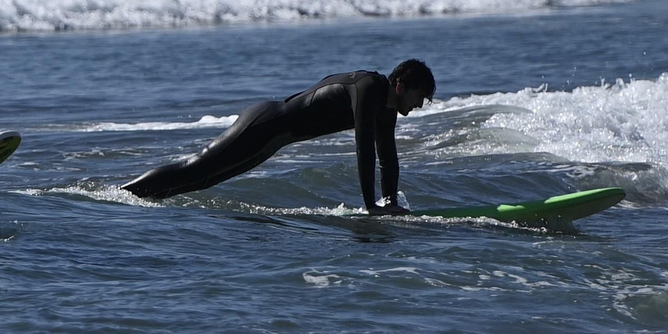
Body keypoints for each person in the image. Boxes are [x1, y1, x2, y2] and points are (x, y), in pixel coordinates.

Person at [122, 60, 437, 213]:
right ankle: (123, 195)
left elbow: (387, 156)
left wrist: (390, 202)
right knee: (197, 166)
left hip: (275, 140)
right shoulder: (368, 88)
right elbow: (364, 149)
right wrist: (371, 206)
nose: (419, 105)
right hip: (265, 122)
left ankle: (140, 203)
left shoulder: (386, 108)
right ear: (400, 86)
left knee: (204, 180)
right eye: (419, 97)